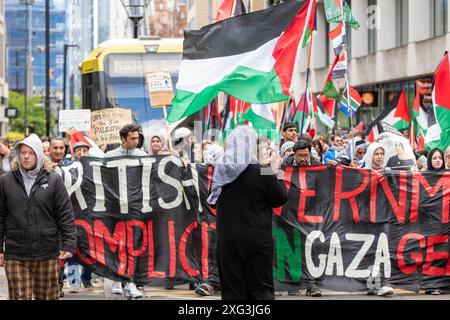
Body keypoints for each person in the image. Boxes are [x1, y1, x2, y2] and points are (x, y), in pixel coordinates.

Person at [207, 126, 287, 300]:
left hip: (227, 239)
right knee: (260, 290)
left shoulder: (221, 170)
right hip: (256, 240)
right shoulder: (262, 170)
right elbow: (280, 198)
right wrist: (276, 170)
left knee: (232, 290)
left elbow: (213, 202)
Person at [0, 134, 77, 300]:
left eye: (31, 153)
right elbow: (0, 216)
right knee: (19, 297)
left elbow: (65, 214)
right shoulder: (6, 181)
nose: (26, 156)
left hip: (47, 251)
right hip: (16, 252)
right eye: (23, 152)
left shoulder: (54, 180)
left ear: (39, 155)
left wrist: (69, 244)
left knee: (47, 297)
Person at [105, 124, 146, 298]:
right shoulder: (109, 157)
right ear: (123, 139)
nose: (136, 141)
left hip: (136, 207)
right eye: (132, 138)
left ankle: (131, 282)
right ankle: (116, 278)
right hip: (115, 207)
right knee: (116, 243)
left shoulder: (144, 156)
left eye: (137, 138)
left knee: (134, 244)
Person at [65, 141, 94, 293]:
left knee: (89, 249)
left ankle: (87, 278)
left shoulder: (94, 168)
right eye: (79, 150)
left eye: (85, 150)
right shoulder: (67, 168)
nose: (82, 152)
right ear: (73, 152)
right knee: (72, 249)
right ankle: (74, 281)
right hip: (72, 213)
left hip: (89, 214)